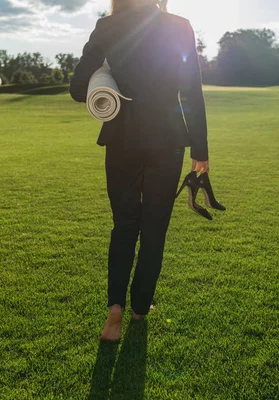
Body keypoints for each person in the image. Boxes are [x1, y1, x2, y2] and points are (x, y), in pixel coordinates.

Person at [69, 0, 209, 341]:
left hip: (121, 140)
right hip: (168, 140)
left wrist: (107, 74)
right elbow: (191, 90)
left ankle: (114, 310)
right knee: (154, 227)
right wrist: (201, 151)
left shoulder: (106, 27)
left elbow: (76, 89)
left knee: (124, 225)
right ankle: (140, 307)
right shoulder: (180, 25)